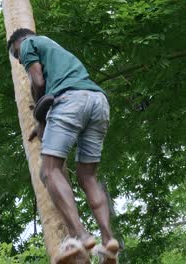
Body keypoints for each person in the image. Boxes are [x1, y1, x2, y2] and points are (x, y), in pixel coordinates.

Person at [7, 28, 119, 263]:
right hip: (98, 102)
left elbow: (38, 81)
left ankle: (79, 236)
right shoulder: (58, 50)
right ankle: (108, 242)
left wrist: (39, 117)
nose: (20, 61)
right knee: (87, 176)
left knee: (48, 171)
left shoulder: (28, 44)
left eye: (17, 57)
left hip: (70, 101)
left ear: (19, 44)